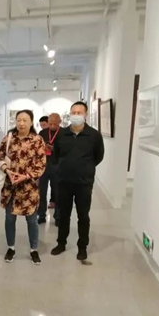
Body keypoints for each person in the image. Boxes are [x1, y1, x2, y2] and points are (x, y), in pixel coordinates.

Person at [51, 102, 105, 259]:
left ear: (85, 115)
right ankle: (61, 243)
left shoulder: (94, 135)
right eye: (73, 112)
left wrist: (85, 168)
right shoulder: (62, 134)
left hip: (84, 183)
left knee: (83, 216)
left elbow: (98, 156)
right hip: (64, 181)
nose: (76, 115)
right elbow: (56, 155)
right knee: (63, 215)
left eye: (79, 112)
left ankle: (82, 247)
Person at [0, 112, 43, 260]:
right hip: (11, 188)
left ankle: (34, 249)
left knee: (32, 220)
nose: (21, 123)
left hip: (29, 189)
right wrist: (7, 170)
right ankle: (11, 248)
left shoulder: (37, 140)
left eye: (25, 120)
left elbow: (41, 164)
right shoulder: (9, 138)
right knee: (10, 219)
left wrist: (26, 176)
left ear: (31, 122)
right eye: (19, 120)